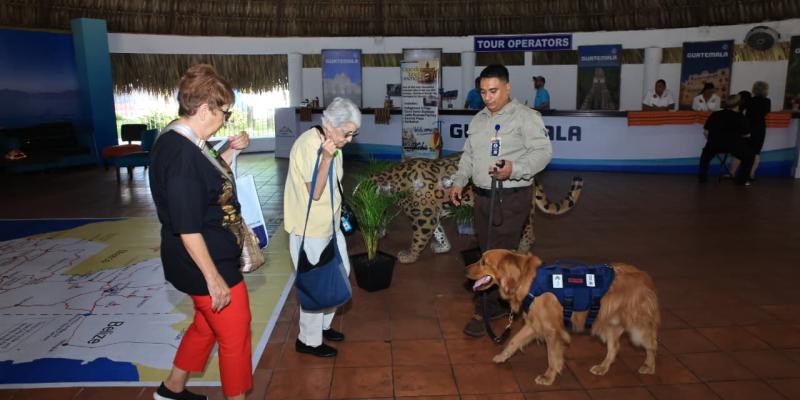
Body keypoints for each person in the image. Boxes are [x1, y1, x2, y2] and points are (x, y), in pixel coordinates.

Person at [149, 64, 252, 400]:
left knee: (206, 325)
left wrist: (231, 151)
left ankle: (171, 389)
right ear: (206, 108)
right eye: (224, 111)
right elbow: (187, 226)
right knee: (235, 336)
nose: (226, 118)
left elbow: (203, 181)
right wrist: (214, 278)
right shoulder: (181, 156)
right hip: (204, 261)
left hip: (200, 256)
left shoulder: (185, 139)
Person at [450, 64, 553, 337]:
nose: (488, 97)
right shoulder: (479, 119)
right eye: (483, 91)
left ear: (507, 88)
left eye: (493, 91)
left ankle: (483, 310)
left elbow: (543, 153)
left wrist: (514, 168)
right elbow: (468, 156)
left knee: (496, 257)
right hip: (483, 198)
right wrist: (459, 182)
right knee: (488, 252)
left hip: (511, 197)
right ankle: (502, 302)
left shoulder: (525, 117)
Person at [284, 97, 361, 357]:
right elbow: (315, 193)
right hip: (310, 230)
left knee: (340, 273)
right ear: (329, 126)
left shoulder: (331, 145)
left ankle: (324, 327)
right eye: (346, 133)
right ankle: (308, 341)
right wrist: (326, 159)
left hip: (329, 225)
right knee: (317, 284)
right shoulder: (309, 146)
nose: (349, 139)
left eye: (353, 134)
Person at [697, 94, 755, 185]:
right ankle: (742, 180)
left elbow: (706, 132)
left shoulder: (715, 114)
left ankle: (702, 178)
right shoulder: (741, 117)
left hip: (714, 144)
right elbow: (747, 135)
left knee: (705, 157)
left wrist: (711, 140)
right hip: (733, 146)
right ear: (738, 104)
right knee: (750, 156)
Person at [743, 81, 771, 180]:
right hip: (760, 128)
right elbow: (766, 112)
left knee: (743, 151)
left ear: (754, 89)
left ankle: (736, 172)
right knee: (756, 152)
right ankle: (751, 174)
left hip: (748, 128)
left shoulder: (749, 100)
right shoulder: (767, 101)